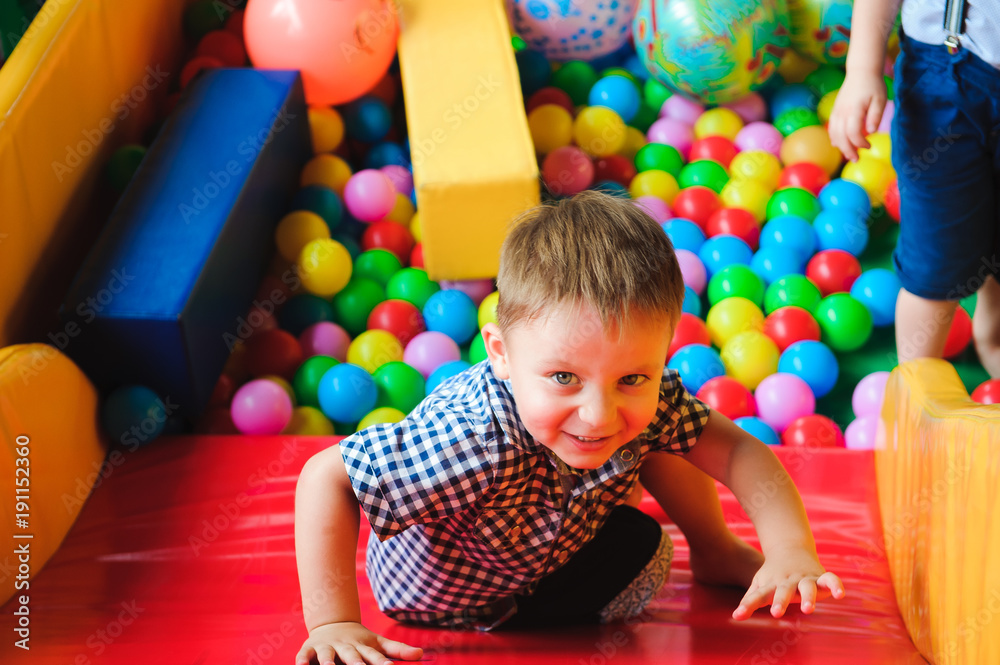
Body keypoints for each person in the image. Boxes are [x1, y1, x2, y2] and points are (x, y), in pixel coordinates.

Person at [294, 191, 845, 665]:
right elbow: (327, 477)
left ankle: (715, 549)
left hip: (537, 541)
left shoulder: (629, 405)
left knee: (654, 427)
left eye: (632, 375)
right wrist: (332, 623)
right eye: (563, 377)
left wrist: (790, 547)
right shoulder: (472, 439)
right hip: (451, 601)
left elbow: (738, 452)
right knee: (647, 549)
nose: (598, 410)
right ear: (502, 354)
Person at [828, 0, 1000, 375]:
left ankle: (991, 333)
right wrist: (862, 67)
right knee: (934, 259)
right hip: (946, 78)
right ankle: (914, 388)